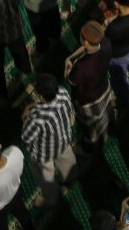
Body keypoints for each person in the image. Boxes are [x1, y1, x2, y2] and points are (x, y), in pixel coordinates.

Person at [21, 73, 77, 207]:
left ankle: (51, 199)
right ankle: (70, 180)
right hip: (63, 142)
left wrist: (25, 115)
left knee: (47, 180)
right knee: (68, 166)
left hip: (44, 154)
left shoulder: (37, 118)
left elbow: (26, 137)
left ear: (40, 96)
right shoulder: (63, 93)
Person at [67, 21, 114, 150]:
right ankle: (109, 130)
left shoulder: (81, 67)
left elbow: (71, 81)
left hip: (89, 100)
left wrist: (68, 63)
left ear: (85, 42)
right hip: (104, 88)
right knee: (106, 113)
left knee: (91, 125)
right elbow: (86, 48)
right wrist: (73, 56)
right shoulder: (106, 44)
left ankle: (89, 146)